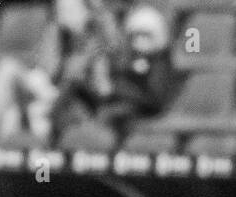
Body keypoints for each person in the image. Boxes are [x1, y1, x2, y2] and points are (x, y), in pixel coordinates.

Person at [55, 3, 174, 138]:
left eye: (145, 35)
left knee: (107, 115)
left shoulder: (160, 62)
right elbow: (108, 86)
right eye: (135, 35)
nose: (139, 41)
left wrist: (114, 89)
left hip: (141, 111)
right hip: (116, 105)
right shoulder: (127, 59)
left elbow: (154, 99)